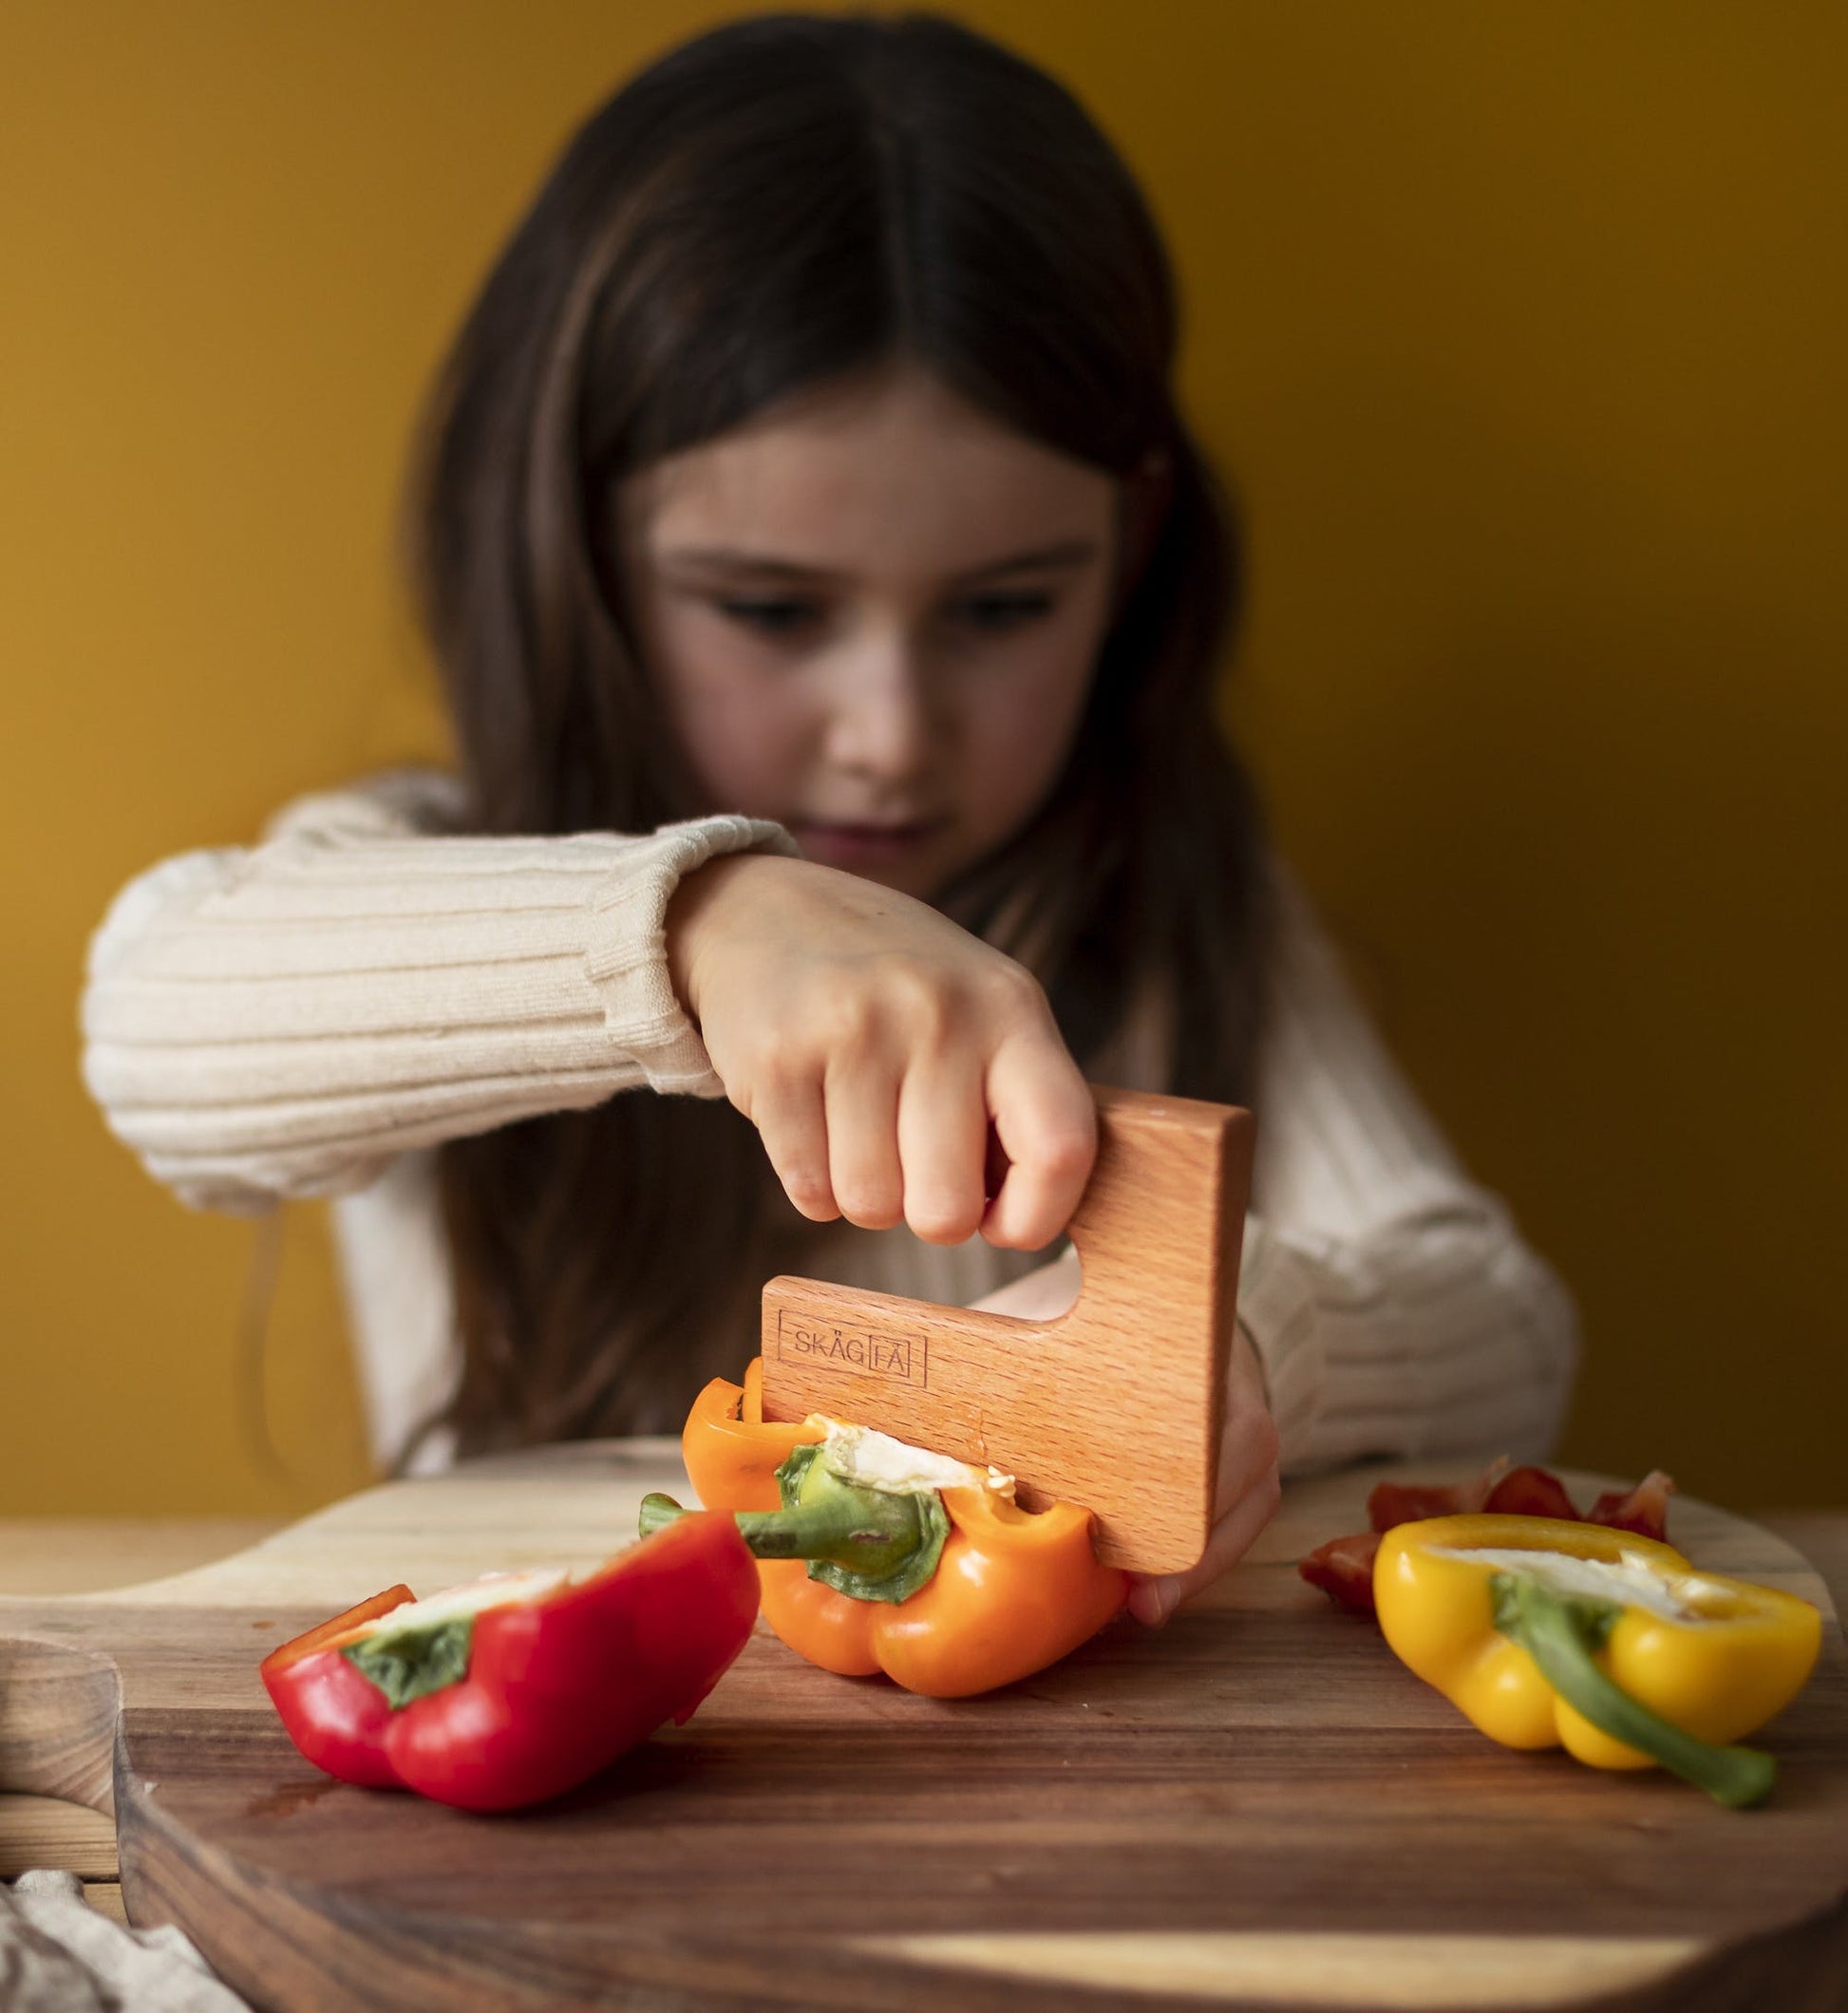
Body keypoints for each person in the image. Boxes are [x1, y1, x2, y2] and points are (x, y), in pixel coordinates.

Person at [81, 10, 1577, 1627]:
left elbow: (1498, 1318)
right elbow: (157, 1031)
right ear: (583, 554)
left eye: (1002, 607)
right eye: (769, 610)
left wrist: (1245, 1338)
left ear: (1131, 544)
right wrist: (698, 928)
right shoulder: (425, 859)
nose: (887, 738)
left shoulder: (1177, 892)